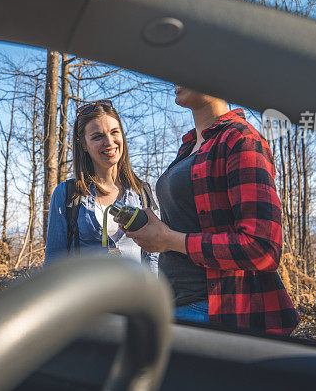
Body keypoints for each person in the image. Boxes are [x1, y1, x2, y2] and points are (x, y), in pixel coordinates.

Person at [124, 87, 299, 335]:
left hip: (210, 311)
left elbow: (263, 248)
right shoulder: (190, 147)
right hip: (170, 303)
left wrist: (169, 240)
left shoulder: (241, 139)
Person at [44, 100, 157, 269]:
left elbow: (153, 258)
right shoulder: (67, 194)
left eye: (114, 132)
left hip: (136, 295)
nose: (110, 142)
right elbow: (54, 264)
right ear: (83, 144)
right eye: (98, 136)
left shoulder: (143, 193)